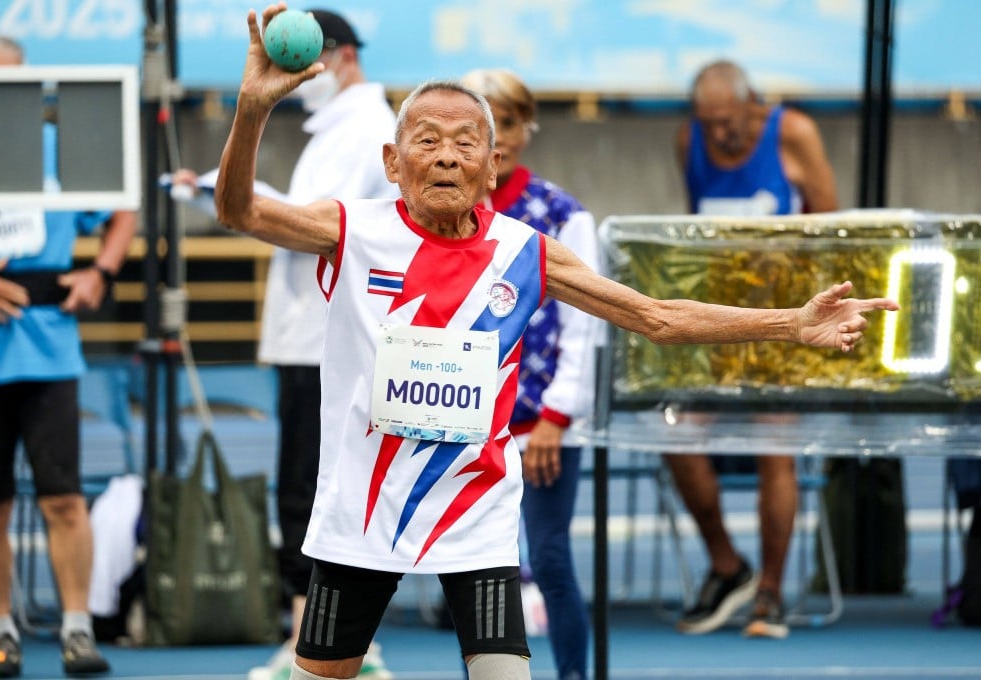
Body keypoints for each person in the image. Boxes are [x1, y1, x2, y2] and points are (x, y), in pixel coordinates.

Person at [214, 7, 896, 678]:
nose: (446, 155)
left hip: (474, 510)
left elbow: (657, 316)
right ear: (394, 162)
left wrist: (790, 323)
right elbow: (238, 210)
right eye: (426, 141)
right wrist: (251, 108)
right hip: (363, 506)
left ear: (491, 168)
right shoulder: (352, 230)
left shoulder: (526, 252)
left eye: (464, 143)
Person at [169, 8, 397, 680]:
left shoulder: (368, 131)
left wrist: (238, 194)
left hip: (328, 339)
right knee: (311, 490)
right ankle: (322, 640)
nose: (298, 76)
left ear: (343, 56)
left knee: (314, 492)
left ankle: (334, 644)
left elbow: (327, 227)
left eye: (306, 61)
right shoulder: (336, 127)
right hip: (310, 337)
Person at [0, 36, 137, 677]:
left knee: (64, 499)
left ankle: (76, 630)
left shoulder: (61, 152)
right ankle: (0, 630)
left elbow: (122, 207)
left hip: (50, 348)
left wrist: (101, 275)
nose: (2, 96)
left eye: (14, 83)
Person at [666, 58, 840, 639]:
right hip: (718, 324)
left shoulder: (793, 133)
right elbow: (696, 230)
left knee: (774, 441)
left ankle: (770, 590)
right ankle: (726, 564)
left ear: (753, 106)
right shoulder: (689, 140)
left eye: (729, 122)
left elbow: (836, 228)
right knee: (672, 430)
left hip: (785, 322)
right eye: (709, 123)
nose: (720, 134)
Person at [459, 68, 597, 680]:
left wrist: (556, 418)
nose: (496, 135)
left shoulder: (560, 213)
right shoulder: (440, 210)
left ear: (525, 129)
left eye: (507, 121)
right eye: (480, 122)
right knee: (472, 568)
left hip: (542, 424)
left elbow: (585, 325)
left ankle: (569, 675)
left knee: (548, 555)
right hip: (464, 419)